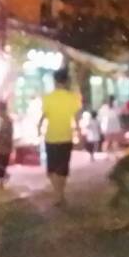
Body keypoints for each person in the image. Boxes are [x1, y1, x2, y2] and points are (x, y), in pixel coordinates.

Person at [37, 69, 82, 206]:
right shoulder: (73, 98)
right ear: (66, 81)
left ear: (55, 81)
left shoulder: (48, 98)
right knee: (63, 168)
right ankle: (60, 194)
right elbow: (76, 119)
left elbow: (43, 116)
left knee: (52, 170)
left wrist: (38, 129)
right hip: (66, 137)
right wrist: (79, 134)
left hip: (51, 137)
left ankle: (58, 194)